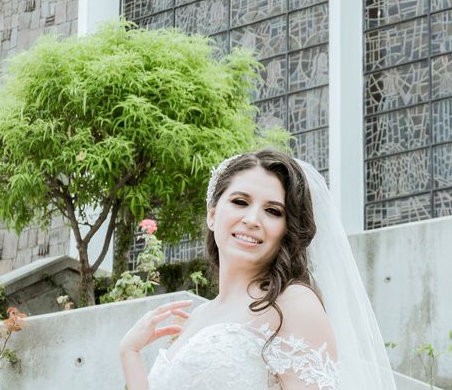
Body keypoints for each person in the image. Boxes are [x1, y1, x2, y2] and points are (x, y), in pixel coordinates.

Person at [120, 150, 397, 390]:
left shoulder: (292, 303)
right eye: (240, 202)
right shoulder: (197, 317)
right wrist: (130, 353)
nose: (252, 220)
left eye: (273, 211)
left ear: (286, 230)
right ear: (213, 214)